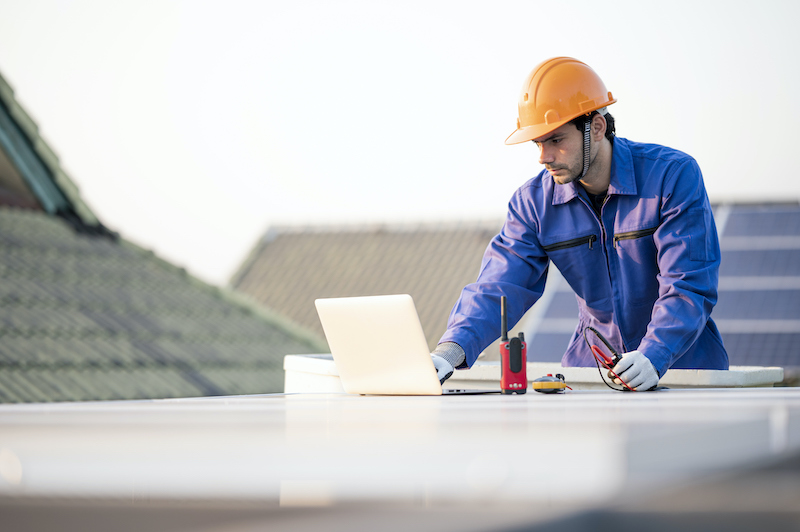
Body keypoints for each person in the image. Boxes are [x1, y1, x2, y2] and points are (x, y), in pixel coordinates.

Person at [431, 57, 728, 391]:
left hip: (686, 371)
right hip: (593, 376)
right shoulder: (532, 203)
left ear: (597, 127)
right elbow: (498, 288)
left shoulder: (672, 176)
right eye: (538, 143)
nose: (543, 156)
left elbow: (688, 283)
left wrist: (655, 354)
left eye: (556, 140)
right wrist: (448, 353)